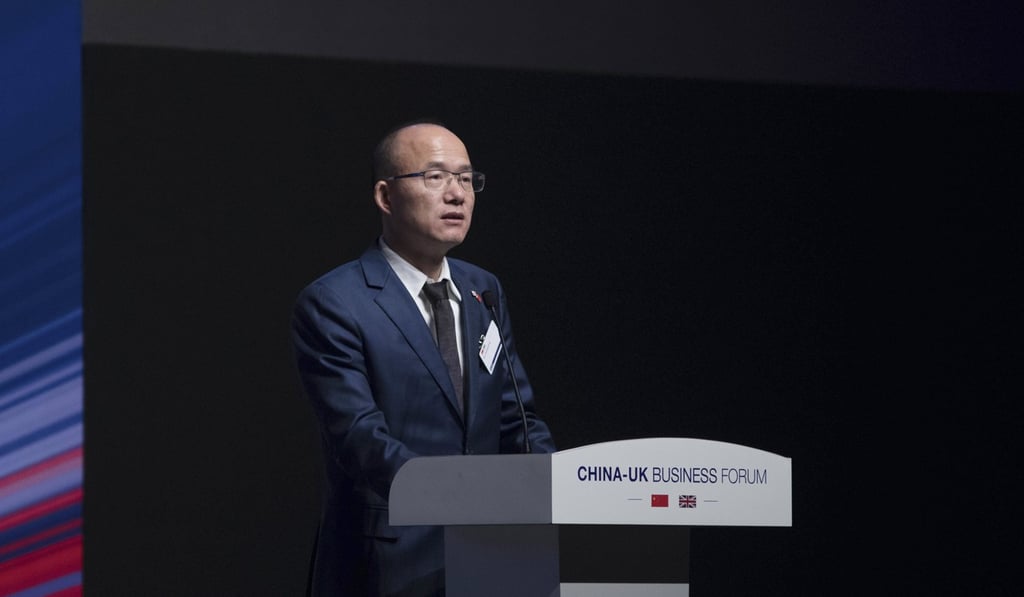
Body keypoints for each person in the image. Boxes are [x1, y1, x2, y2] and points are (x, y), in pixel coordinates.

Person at [291, 121, 556, 596]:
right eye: (435, 177)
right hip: (390, 562)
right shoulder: (335, 301)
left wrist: (562, 493)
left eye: (466, 179)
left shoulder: (483, 291)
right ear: (385, 197)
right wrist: (467, 499)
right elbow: (360, 440)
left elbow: (517, 420)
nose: (457, 194)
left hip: (495, 557)